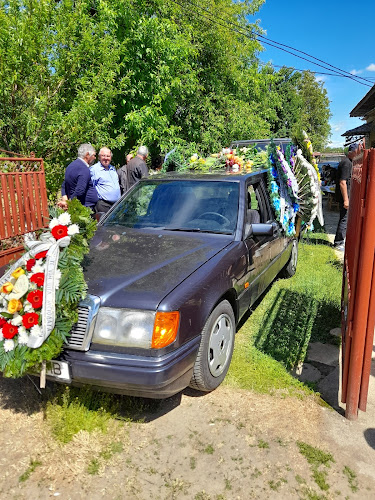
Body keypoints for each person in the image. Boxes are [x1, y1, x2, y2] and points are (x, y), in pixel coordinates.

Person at [58, 143, 98, 210]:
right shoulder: (83, 169)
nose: (95, 158)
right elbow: (80, 190)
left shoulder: (70, 166)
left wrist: (64, 197)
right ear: (87, 155)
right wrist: (69, 203)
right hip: (85, 207)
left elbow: (64, 184)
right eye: (93, 155)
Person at [334, 143, 358, 250]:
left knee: (345, 219)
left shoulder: (349, 162)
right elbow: (342, 182)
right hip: (345, 197)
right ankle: (338, 242)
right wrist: (346, 200)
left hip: (346, 197)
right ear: (352, 152)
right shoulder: (346, 164)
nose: (359, 153)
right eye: (357, 151)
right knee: (344, 219)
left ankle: (340, 241)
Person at [90, 147, 121, 213]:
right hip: (103, 205)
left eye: (108, 156)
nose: (106, 158)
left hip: (116, 205)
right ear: (99, 157)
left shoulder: (112, 168)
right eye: (103, 156)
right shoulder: (94, 169)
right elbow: (90, 187)